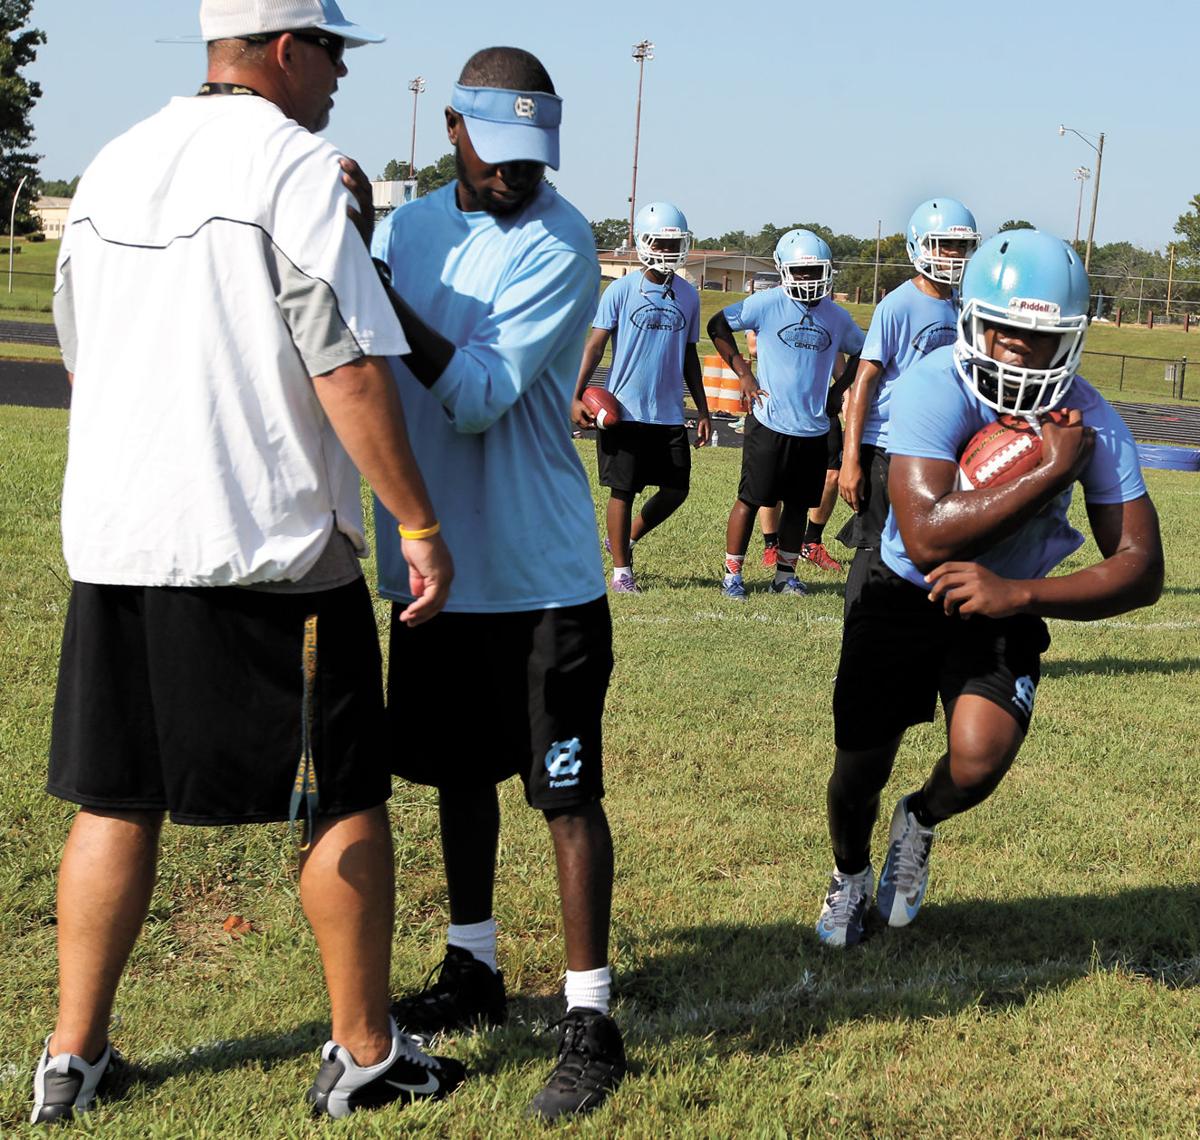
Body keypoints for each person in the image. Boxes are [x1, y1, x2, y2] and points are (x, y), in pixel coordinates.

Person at [31, 0, 467, 1124]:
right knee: (343, 799)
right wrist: (415, 522)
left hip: (120, 542)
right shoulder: (297, 168)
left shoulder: (114, 166)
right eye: (331, 52)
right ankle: (364, 1052)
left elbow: (83, 356)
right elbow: (349, 366)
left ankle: (70, 1058)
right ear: (285, 49)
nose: (338, 77)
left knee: (115, 798)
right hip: (268, 546)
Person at [368, 48, 625, 1121]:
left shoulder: (562, 241)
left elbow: (473, 393)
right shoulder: (406, 226)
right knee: (455, 778)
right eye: (500, 156)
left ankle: (591, 1019)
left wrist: (373, 285)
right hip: (437, 570)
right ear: (453, 132)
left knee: (563, 795)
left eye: (536, 160)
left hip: (540, 578)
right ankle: (472, 964)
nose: (518, 178)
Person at [818, 230, 1164, 948]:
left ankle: (919, 819)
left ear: (1068, 340)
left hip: (1004, 601)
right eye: (1002, 330)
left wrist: (1021, 595)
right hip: (898, 590)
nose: (1014, 350)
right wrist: (1048, 470)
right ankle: (849, 876)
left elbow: (1142, 567)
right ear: (973, 320)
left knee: (978, 763)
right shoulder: (931, 384)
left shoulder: (1091, 417)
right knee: (859, 766)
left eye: (1037, 337)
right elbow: (927, 537)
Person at [837, 198, 980, 612]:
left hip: (937, 446)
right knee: (874, 551)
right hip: (887, 444)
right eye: (942, 245)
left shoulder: (962, 307)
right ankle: (857, 649)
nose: (953, 256)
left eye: (960, 247)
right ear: (918, 246)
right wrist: (851, 459)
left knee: (932, 545)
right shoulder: (897, 305)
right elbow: (863, 381)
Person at [708, 229, 865, 599]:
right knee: (750, 498)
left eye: (815, 272)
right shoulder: (766, 303)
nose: (809, 279)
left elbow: (863, 352)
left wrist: (837, 393)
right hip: (769, 421)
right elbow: (717, 325)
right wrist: (744, 374)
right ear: (783, 269)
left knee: (798, 504)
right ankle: (732, 574)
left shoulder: (837, 316)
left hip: (812, 426)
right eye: (801, 271)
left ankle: (786, 574)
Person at [573, 200, 711, 594]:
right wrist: (575, 394)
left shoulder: (688, 294)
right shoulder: (620, 290)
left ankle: (626, 537)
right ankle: (621, 572)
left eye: (675, 244)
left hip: (667, 411)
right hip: (624, 409)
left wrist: (701, 408)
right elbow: (594, 347)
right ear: (642, 242)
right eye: (661, 243)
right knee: (623, 490)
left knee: (677, 489)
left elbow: (688, 354)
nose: (669, 251)